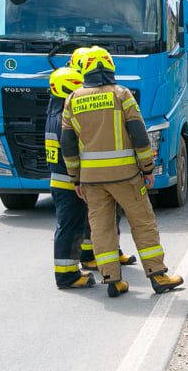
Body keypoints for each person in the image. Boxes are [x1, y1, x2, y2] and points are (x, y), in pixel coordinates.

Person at [61, 46, 183, 297]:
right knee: (143, 222)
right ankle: (158, 276)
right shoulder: (121, 94)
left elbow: (68, 144)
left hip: (91, 181)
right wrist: (148, 167)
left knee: (101, 228)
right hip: (126, 176)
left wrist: (75, 178)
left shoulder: (72, 99)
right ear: (109, 67)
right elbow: (138, 133)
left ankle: (112, 280)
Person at [46, 67, 136, 289]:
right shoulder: (62, 119)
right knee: (71, 227)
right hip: (68, 182)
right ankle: (67, 275)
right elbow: (74, 149)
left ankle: (83, 260)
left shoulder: (55, 114)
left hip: (63, 180)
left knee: (81, 224)